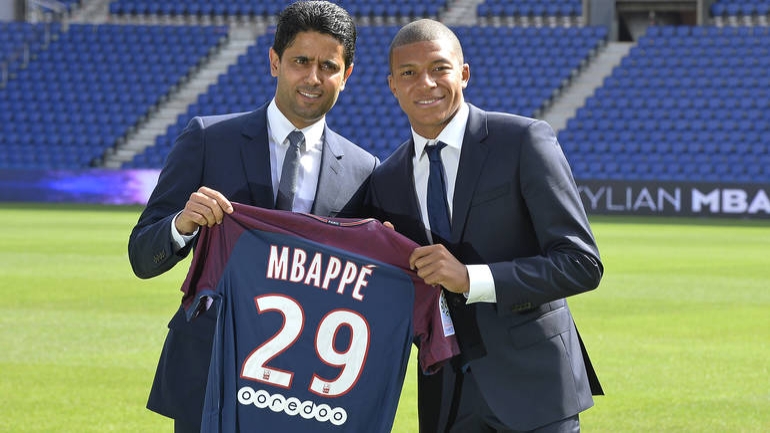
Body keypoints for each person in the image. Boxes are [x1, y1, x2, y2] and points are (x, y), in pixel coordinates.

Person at [127, 2, 377, 432]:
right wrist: (182, 225)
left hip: (309, 384)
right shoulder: (207, 139)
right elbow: (140, 254)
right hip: (211, 373)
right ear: (275, 61)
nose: (313, 78)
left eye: (328, 66)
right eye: (301, 61)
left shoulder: (363, 170)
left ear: (347, 75)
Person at [365, 19, 604, 432]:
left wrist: (471, 279)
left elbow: (581, 263)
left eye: (439, 68)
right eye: (409, 73)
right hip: (445, 398)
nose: (426, 83)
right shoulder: (385, 179)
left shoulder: (523, 141)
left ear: (464, 73)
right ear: (393, 85)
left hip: (534, 389)